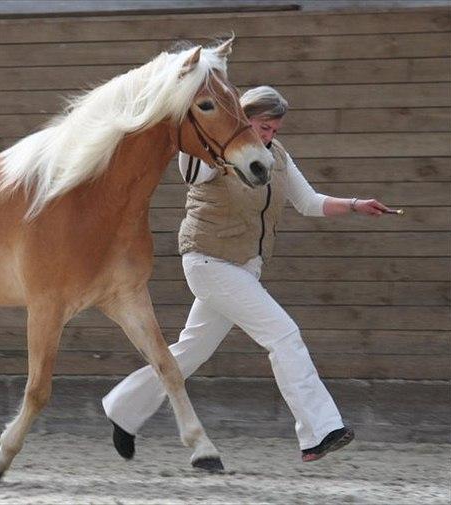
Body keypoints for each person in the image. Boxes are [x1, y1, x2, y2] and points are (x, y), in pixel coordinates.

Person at [102, 86, 393, 464]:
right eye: (263, 127)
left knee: (191, 352)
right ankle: (319, 431)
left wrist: (355, 205)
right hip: (209, 262)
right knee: (284, 335)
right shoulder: (211, 152)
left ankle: (123, 408)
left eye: (274, 130)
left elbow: (308, 202)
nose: (269, 136)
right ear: (243, 120)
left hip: (243, 268)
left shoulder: (276, 155)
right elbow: (190, 169)